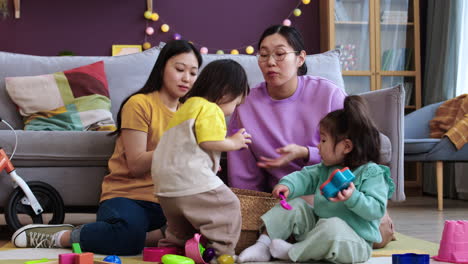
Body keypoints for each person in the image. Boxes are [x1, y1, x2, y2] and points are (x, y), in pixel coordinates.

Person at [11, 40, 203, 255]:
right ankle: (61, 236)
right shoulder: (139, 104)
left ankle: (134, 236)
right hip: (129, 197)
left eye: (193, 73)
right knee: (127, 235)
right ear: (162, 68)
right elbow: (137, 165)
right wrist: (175, 149)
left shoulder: (192, 113)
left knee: (207, 224)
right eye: (179, 69)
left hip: (169, 202)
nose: (186, 78)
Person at [237, 95, 395, 263]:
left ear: (346, 146)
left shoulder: (371, 173)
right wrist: (288, 185)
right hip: (319, 231)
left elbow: (377, 209)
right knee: (295, 205)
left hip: (353, 242)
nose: (318, 145)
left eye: (324, 140)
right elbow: (304, 176)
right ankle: (262, 245)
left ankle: (293, 252)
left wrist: (353, 197)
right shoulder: (326, 168)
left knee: (332, 226)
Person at [227, 24, 347, 192]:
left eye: (280, 54)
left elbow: (352, 150)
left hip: (331, 191)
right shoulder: (246, 104)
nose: (270, 62)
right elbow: (243, 169)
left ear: (300, 58)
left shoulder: (329, 95)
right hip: (279, 196)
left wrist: (306, 153)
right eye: (263, 54)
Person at [152, 59, 251, 259]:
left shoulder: (187, 106)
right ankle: (223, 253)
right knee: (228, 206)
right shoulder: (210, 108)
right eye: (235, 103)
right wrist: (233, 142)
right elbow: (209, 141)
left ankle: (172, 249)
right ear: (225, 92)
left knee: (181, 227)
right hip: (189, 180)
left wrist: (209, 163)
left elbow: (187, 145)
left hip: (165, 186)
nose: (233, 110)